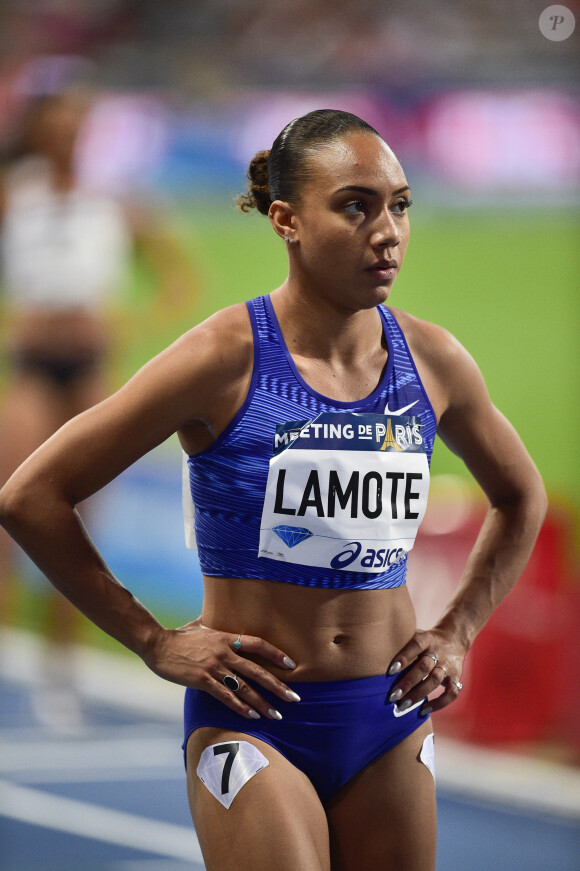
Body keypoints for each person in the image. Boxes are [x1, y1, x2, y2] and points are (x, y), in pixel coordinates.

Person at [0, 109, 547, 870]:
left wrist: (457, 631)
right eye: (355, 205)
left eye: (400, 203)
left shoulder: (434, 362)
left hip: (387, 718)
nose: (387, 230)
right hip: (254, 722)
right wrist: (152, 640)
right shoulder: (223, 357)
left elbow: (522, 497)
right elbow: (30, 494)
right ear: (287, 220)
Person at [0, 83, 196, 729]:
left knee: (79, 528)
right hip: (30, 367)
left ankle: (61, 672)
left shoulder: (114, 200)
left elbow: (179, 280)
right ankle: (10, 663)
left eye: (77, 127)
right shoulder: (14, 194)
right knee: (11, 512)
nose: (69, 137)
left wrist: (123, 321)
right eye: (58, 127)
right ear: (38, 133)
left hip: (90, 369)